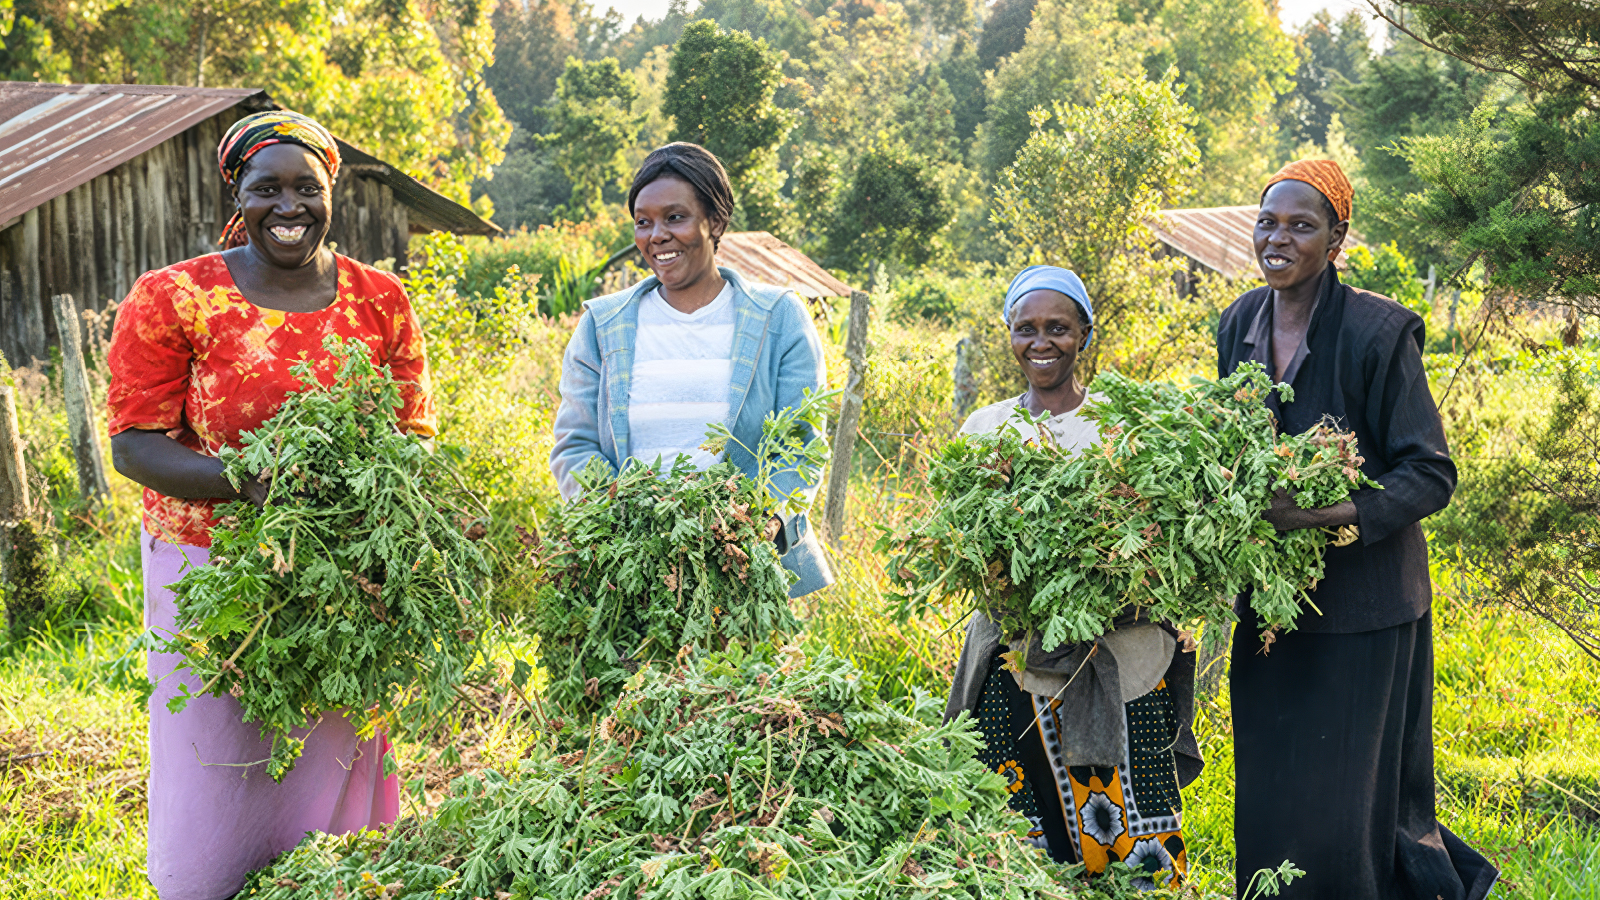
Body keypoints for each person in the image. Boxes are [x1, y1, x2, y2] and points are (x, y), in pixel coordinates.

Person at [106, 111, 432, 900]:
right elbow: (134, 444)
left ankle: (327, 884)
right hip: (210, 571)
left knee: (331, 740)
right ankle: (205, 884)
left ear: (332, 193)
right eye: (267, 188)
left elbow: (414, 432)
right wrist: (245, 481)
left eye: (306, 188)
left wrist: (392, 504)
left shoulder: (379, 299)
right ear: (237, 194)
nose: (289, 206)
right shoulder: (174, 297)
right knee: (215, 748)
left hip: (341, 574)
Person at [1218, 159, 1497, 899]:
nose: (1278, 238)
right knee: (1273, 790)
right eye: (1267, 221)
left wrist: (1319, 517)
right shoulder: (1240, 321)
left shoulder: (1379, 332)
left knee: (1347, 804)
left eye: (1301, 225)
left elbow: (1429, 473)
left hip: (1367, 609)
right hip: (1274, 609)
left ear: (1336, 238)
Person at [945, 266, 1202, 888]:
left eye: (1058, 328)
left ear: (1085, 333)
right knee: (1020, 808)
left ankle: (1137, 885)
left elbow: (1160, 528)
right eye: (1026, 328)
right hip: (1018, 647)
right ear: (1008, 333)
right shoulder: (986, 427)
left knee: (1129, 797)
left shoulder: (1125, 421)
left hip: (1120, 650)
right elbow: (962, 537)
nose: (1042, 342)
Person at [550, 142, 832, 597]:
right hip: (628, 572)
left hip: (741, 570)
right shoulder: (602, 326)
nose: (656, 235)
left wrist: (754, 525)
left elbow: (802, 446)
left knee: (737, 670)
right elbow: (576, 444)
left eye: (675, 218)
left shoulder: (778, 318)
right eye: (644, 222)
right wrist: (624, 525)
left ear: (715, 222)